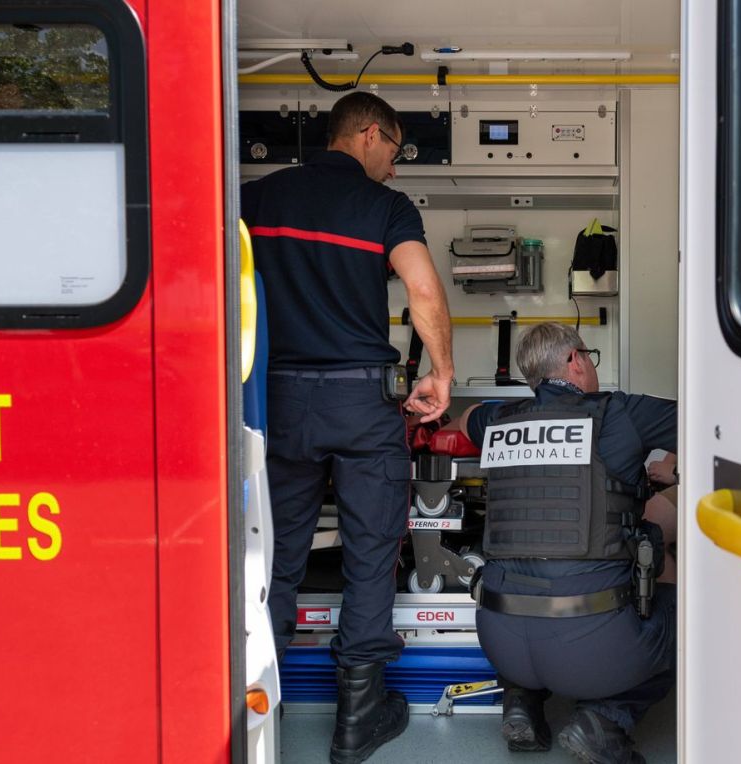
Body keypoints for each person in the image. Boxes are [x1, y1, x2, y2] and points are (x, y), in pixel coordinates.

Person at [241, 91, 454, 764]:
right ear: (367, 135)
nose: (395, 165)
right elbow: (423, 290)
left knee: (272, 555)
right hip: (361, 402)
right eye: (394, 149)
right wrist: (441, 373)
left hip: (276, 403)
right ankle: (358, 720)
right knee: (370, 552)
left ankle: (254, 706)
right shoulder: (385, 207)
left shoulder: (256, 200)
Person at [453, 322, 676, 764]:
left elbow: (466, 417)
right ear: (575, 360)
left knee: (530, 586)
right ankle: (605, 720)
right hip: (593, 647)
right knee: (680, 611)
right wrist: (672, 469)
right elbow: (709, 419)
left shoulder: (499, 420)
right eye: (589, 356)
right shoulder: (620, 412)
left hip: (500, 644)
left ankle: (521, 703)